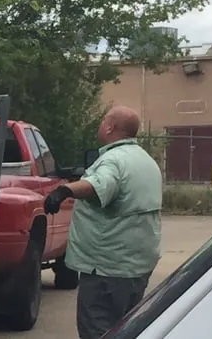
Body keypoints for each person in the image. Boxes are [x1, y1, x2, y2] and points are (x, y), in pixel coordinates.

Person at [44, 105, 163, 339]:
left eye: (103, 121)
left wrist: (64, 191)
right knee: (127, 329)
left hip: (108, 268)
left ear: (110, 127)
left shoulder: (113, 161)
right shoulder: (146, 161)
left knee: (98, 330)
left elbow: (99, 184)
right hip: (138, 266)